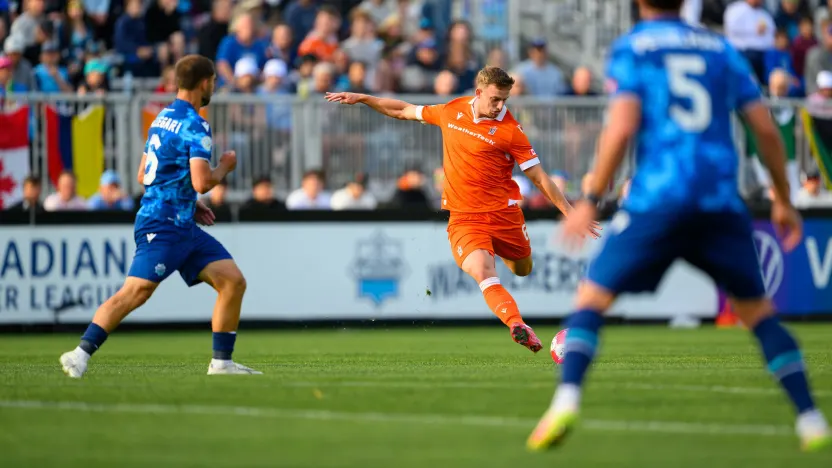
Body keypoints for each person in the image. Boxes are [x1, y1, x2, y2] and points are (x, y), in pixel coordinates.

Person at [526, 0, 830, 452]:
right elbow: (765, 129)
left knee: (591, 298)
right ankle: (810, 419)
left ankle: (565, 401)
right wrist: (783, 201)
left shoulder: (635, 47)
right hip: (718, 201)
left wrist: (591, 199)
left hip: (658, 198)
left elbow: (622, 125)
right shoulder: (720, 48)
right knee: (759, 315)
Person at [326, 67, 600, 353]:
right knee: (483, 271)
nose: (500, 106)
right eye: (495, 99)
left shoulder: (511, 131)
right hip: (465, 218)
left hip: (504, 215)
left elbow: (539, 177)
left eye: (504, 100)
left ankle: (507, 262)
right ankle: (517, 324)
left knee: (523, 269)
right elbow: (403, 110)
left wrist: (570, 210)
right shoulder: (452, 110)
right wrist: (363, 98)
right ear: (478, 92)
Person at [59, 55, 261, 378]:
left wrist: (190, 203)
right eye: (212, 82)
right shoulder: (197, 124)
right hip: (163, 224)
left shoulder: (161, 117)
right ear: (204, 83)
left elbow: (144, 174)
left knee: (233, 282)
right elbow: (202, 182)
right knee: (135, 291)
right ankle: (80, 353)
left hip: (181, 222)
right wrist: (225, 166)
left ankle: (222, 363)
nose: (213, 87)